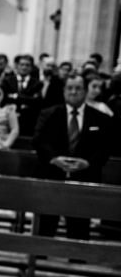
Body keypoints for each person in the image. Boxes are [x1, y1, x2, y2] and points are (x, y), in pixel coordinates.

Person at [33, 73, 113, 240]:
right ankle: (40, 257)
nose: (73, 92)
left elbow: (105, 147)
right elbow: (39, 141)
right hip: (53, 175)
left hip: (85, 177)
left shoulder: (101, 118)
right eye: (69, 88)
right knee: (46, 222)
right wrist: (54, 159)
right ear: (63, 91)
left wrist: (88, 162)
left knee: (79, 224)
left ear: (85, 91)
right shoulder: (49, 114)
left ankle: (77, 259)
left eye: (78, 88)